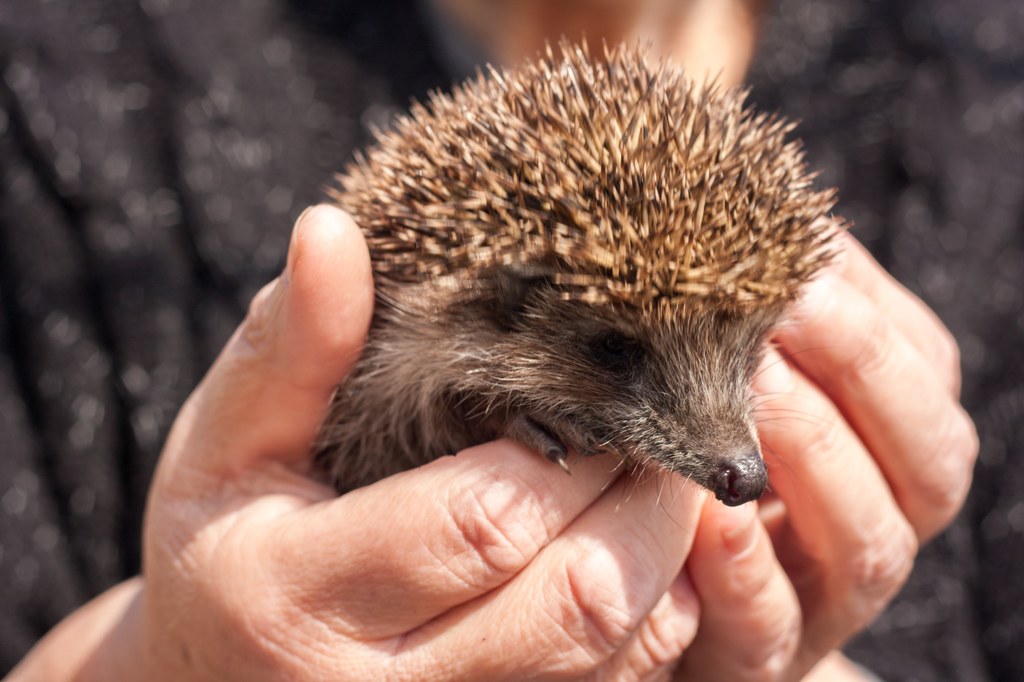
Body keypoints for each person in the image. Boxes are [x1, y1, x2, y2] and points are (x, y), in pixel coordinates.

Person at [0, 0, 999, 678]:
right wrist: (158, 655)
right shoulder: (54, 81)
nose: (732, 458)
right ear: (493, 307)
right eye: (617, 354)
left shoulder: (989, 104)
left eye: (737, 354)